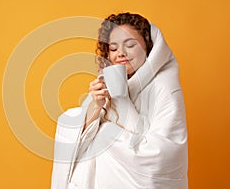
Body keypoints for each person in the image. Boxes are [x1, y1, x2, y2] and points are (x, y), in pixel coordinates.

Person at [51, 12, 188, 189]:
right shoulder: (108, 80)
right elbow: (77, 141)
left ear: (148, 47)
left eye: (130, 45)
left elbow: (163, 157)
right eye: (113, 49)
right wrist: (95, 106)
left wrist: (121, 100)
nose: (121, 54)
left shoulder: (165, 86)